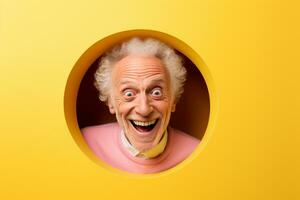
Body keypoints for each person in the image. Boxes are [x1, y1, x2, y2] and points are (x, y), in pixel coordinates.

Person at [81, 37, 199, 174]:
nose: (144, 109)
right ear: (111, 103)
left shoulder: (196, 154)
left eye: (156, 92)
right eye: (129, 94)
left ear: (173, 101)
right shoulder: (86, 144)